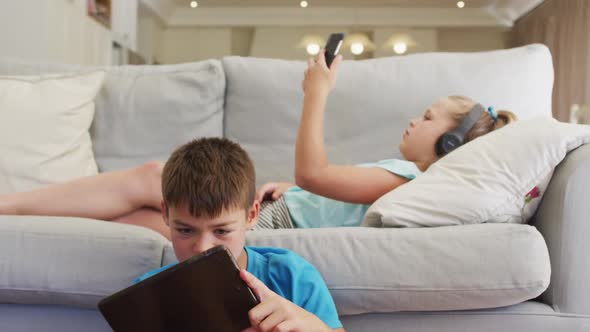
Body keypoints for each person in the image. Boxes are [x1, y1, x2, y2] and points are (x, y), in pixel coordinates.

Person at [0, 51, 516, 237]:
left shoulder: (409, 179)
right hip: (281, 207)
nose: (413, 119)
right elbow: (325, 194)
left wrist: (316, 95)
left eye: (427, 118)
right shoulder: (402, 178)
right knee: (149, 191)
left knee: (147, 197)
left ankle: (13, 206)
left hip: (275, 222)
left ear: (449, 141)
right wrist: (294, 189)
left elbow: (318, 174)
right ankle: (15, 208)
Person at [132, 137, 344, 331]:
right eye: (186, 230)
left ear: (251, 215)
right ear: (166, 214)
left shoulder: (291, 275)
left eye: (222, 231)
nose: (203, 247)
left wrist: (308, 324)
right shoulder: (147, 294)